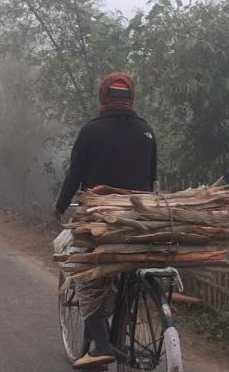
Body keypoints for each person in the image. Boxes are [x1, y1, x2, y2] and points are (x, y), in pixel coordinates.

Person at [55, 72, 157, 369]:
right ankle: (109, 333)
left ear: (104, 98)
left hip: (99, 222)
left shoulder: (91, 131)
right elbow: (150, 182)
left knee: (84, 275)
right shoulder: (147, 131)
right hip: (138, 223)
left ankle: (100, 345)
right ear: (131, 99)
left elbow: (74, 175)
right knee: (117, 276)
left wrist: (61, 206)